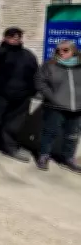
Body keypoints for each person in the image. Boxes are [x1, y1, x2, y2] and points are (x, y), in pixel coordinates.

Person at [0, 27, 38, 162]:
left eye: (18, 36)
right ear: (5, 37)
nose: (15, 38)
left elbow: (35, 74)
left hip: (21, 98)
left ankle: (10, 147)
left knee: (14, 124)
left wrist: (31, 91)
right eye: (12, 36)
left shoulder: (28, 55)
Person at [35, 40, 81, 173]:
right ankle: (44, 156)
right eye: (58, 50)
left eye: (65, 50)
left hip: (77, 107)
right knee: (49, 132)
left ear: (73, 51)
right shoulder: (50, 65)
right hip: (55, 106)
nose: (61, 52)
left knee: (72, 134)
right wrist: (52, 97)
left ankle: (68, 158)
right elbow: (40, 81)